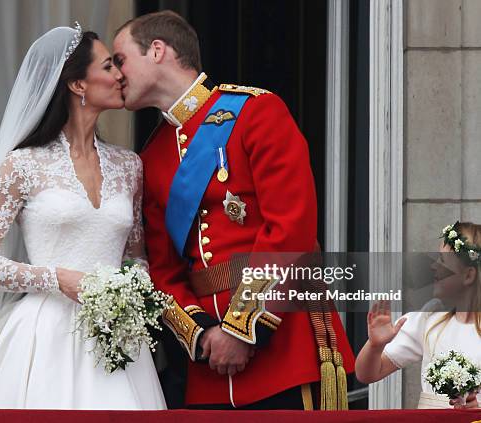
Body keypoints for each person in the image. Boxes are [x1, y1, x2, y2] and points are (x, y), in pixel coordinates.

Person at [113, 11, 354, 410]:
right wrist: (204, 334)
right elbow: (164, 270)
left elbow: (289, 230)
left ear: (157, 51)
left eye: (120, 59)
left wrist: (241, 330)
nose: (116, 74)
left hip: (283, 348)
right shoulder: (153, 155)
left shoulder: (256, 112)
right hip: (209, 368)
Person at [0, 25, 165, 409]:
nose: (120, 75)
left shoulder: (129, 166)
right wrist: (57, 278)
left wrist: (132, 288)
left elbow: (135, 254)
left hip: (116, 338)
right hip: (44, 332)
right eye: (108, 66)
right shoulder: (23, 164)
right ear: (78, 85)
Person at [356, 221, 481, 409]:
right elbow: (367, 374)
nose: (434, 267)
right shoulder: (429, 319)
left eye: (443, 261)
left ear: (468, 276)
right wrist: (375, 345)